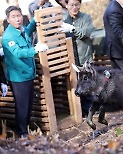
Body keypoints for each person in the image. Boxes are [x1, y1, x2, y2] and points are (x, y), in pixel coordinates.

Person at [1, 6, 48, 137]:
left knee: (28, 104)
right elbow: (18, 52)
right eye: (14, 17)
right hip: (18, 77)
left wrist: (35, 20)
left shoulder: (21, 30)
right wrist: (35, 49)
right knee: (22, 107)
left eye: (19, 16)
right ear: (8, 19)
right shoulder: (8, 37)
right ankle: (22, 133)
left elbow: (28, 30)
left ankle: (25, 129)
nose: (17, 19)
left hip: (28, 74)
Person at [59, 0, 94, 116]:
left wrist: (73, 30)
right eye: (71, 5)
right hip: (71, 59)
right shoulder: (62, 20)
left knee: (88, 84)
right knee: (76, 86)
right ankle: (82, 112)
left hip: (84, 58)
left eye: (77, 5)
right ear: (67, 5)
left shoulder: (86, 18)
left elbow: (87, 32)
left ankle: (91, 110)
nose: (74, 7)